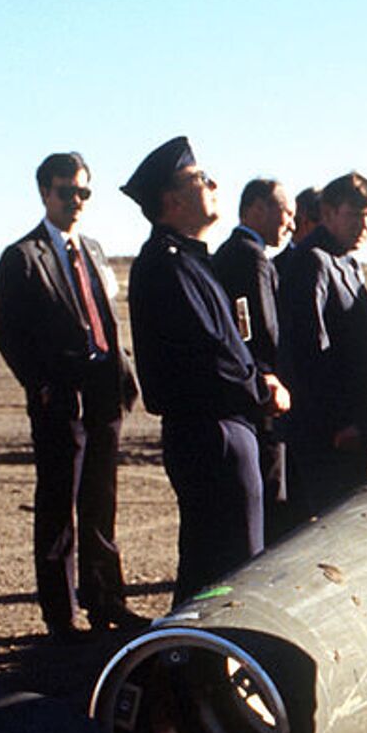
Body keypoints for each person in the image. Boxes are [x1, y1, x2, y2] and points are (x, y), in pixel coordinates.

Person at [121, 136, 289, 607]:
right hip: (210, 432)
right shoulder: (167, 266)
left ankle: (202, 669)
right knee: (224, 572)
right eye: (200, 179)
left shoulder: (193, 261)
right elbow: (209, 356)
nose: (213, 184)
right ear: (173, 200)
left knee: (223, 566)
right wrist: (261, 386)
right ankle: (202, 669)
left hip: (226, 428)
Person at [0, 151, 144, 641]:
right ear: (44, 193)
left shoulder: (95, 249)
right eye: (65, 191)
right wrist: (44, 387)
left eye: (83, 192)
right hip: (61, 401)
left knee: (101, 501)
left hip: (103, 392)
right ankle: (60, 615)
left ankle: (106, 600)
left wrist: (122, 369)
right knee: (58, 506)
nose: (75, 201)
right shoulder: (22, 257)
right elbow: (7, 333)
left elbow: (106, 311)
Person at [277, 171, 367, 515]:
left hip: (353, 426)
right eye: (354, 215)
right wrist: (341, 423)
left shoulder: (347, 262)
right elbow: (311, 353)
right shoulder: (312, 261)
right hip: (329, 432)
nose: (364, 225)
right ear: (327, 213)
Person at [210, 178, 297, 541]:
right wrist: (274, 378)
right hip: (261, 401)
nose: (291, 224)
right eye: (286, 213)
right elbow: (263, 332)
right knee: (270, 501)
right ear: (258, 208)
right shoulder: (251, 257)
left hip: (240, 396)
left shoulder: (229, 252)